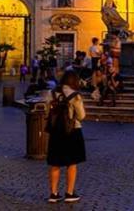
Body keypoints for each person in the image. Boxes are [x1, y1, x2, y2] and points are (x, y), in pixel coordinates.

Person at [46, 72, 87, 204]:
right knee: (72, 163)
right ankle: (69, 193)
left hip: (56, 132)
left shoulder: (52, 93)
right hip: (72, 131)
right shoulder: (76, 96)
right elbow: (81, 116)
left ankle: (53, 193)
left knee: (55, 163)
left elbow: (48, 111)